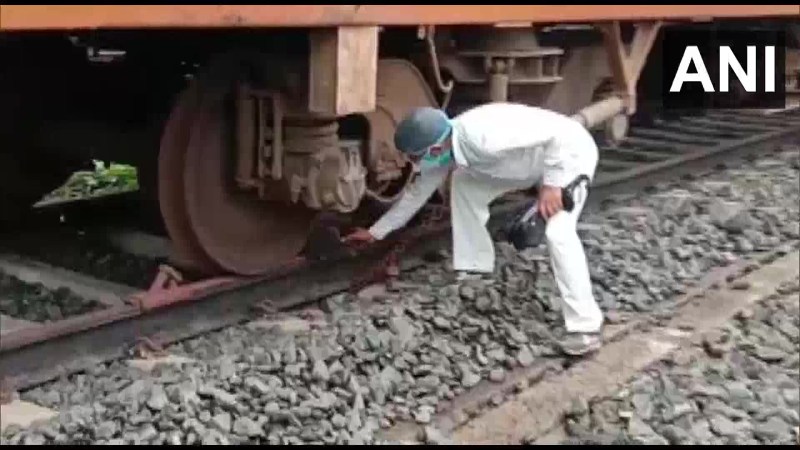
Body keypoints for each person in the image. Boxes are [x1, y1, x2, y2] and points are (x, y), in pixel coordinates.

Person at [343, 102, 604, 356]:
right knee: (464, 183)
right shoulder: (446, 148)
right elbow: (416, 194)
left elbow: (558, 136)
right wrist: (375, 231)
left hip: (569, 155)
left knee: (558, 232)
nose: (414, 165)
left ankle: (586, 328)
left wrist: (553, 184)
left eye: (415, 158)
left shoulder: (484, 136)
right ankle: (475, 269)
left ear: (433, 149)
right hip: (528, 165)